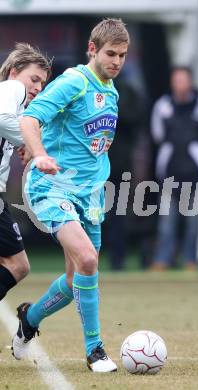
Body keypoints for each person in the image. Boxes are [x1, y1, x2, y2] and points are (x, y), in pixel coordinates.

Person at [12, 18, 130, 373]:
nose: (117, 62)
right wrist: (40, 153)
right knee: (89, 260)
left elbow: (91, 144)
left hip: (90, 195)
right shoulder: (74, 81)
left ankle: (29, 318)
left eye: (123, 55)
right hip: (52, 187)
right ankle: (95, 350)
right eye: (111, 53)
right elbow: (30, 119)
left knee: (73, 277)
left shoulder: (111, 92)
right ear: (92, 49)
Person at [149, 66, 198, 270]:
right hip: (169, 173)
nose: (180, 84)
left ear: (190, 82)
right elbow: (157, 135)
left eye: (183, 80)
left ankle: (190, 259)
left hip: (196, 174)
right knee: (167, 222)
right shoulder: (163, 106)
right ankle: (163, 259)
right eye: (176, 80)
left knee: (193, 223)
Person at [0, 43, 51, 301]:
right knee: (17, 265)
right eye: (34, 78)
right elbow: (2, 118)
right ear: (13, 72)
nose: (37, 88)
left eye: (42, 84)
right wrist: (31, 143)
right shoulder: (12, 88)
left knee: (17, 264)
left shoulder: (17, 108)